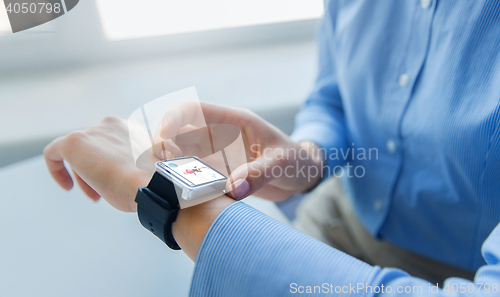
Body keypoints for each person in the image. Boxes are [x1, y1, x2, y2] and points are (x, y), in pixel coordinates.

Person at [43, 0, 500, 295]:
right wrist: (309, 156)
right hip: (335, 214)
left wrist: (170, 200)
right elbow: (332, 96)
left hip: (455, 274)